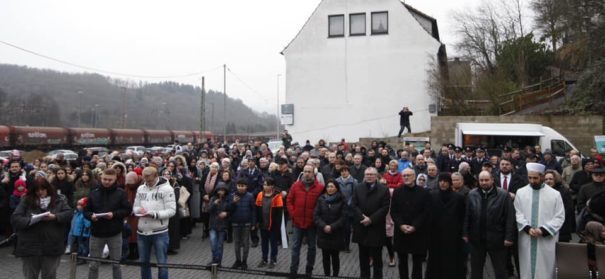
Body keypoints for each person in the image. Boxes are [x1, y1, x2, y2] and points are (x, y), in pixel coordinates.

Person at [11, 178, 72, 279]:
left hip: (52, 246)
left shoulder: (59, 200)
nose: (40, 192)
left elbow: (69, 214)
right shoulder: (26, 200)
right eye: (37, 190)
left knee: (49, 275)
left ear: (48, 188)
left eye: (43, 189)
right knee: (30, 275)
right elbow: (15, 218)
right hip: (30, 247)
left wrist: (55, 217)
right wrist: (30, 220)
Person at [514, 162, 565, 279]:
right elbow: (518, 213)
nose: (532, 181)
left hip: (546, 238)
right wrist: (527, 228)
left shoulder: (555, 194)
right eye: (530, 178)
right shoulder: (520, 193)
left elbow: (559, 216)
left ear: (542, 176)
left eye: (535, 178)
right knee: (526, 267)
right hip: (526, 237)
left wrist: (543, 230)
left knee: (545, 269)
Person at [464, 171, 515, 279]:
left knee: (500, 270)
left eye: (486, 180)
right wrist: (465, 233)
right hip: (477, 239)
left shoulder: (503, 195)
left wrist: (508, 237)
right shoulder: (472, 194)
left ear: (492, 180)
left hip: (497, 238)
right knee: (476, 270)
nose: (484, 182)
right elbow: (467, 215)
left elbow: (510, 217)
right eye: (481, 180)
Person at [84, 168, 132, 279]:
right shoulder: (94, 192)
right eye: (104, 179)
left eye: (110, 180)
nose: (106, 182)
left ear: (115, 179)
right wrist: (91, 216)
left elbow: (127, 210)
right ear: (101, 178)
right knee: (93, 265)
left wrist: (114, 214)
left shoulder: (121, 193)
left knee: (116, 265)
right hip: (96, 233)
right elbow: (86, 211)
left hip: (114, 233)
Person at [133, 167, 176, 279]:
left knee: (162, 263)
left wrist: (154, 214)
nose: (148, 182)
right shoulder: (141, 188)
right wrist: (139, 211)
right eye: (145, 180)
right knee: (143, 263)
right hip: (142, 231)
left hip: (159, 232)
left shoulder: (167, 189)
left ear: (156, 176)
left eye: (150, 180)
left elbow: (172, 210)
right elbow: (135, 206)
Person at [390, 168, 431, 279]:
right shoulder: (397, 191)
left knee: (417, 263)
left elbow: (425, 212)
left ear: (414, 177)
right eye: (404, 176)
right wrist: (401, 225)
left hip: (418, 232)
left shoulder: (424, 192)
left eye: (409, 175)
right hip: (401, 231)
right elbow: (394, 211)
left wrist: (415, 226)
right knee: (402, 262)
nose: (406, 177)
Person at [351, 167, 390, 279]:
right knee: (363, 259)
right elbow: (354, 205)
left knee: (377, 260)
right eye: (367, 174)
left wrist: (371, 219)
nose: (369, 176)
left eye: (371, 174)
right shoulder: (358, 188)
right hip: (361, 226)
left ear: (376, 176)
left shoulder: (383, 189)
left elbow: (385, 208)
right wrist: (362, 217)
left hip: (376, 228)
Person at [425, 173, 466, 279]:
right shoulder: (432, 195)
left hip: (452, 235)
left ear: (450, 183)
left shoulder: (459, 198)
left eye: (445, 181)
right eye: (441, 181)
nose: (443, 183)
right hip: (436, 235)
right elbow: (428, 214)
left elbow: (462, 217)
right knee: (435, 259)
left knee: (452, 260)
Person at [287, 165, 324, 278]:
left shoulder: (321, 187)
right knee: (295, 247)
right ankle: (293, 271)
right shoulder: (295, 185)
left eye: (309, 172)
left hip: (312, 223)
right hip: (297, 223)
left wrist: (317, 218)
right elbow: (289, 200)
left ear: (314, 173)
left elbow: (322, 205)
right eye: (305, 171)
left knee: (312, 248)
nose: (307, 174)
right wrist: (293, 214)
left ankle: (309, 270)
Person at [314, 179, 347, 277]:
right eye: (328, 186)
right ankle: (327, 275)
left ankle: (335, 275)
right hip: (323, 233)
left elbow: (344, 217)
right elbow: (316, 216)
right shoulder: (321, 199)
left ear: (336, 188)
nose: (330, 189)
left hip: (336, 233)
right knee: (325, 257)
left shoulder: (342, 200)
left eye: (332, 186)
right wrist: (324, 226)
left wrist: (332, 227)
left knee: (335, 257)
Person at [228, 178, 256, 270]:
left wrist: (253, 223)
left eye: (243, 186)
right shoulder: (232, 196)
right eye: (239, 186)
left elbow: (253, 210)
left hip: (247, 223)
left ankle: (244, 261)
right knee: (236, 243)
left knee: (245, 243)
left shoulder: (250, 196)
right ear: (236, 186)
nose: (241, 188)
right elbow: (229, 210)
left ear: (246, 187)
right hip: (235, 223)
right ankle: (237, 260)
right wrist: (233, 203)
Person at [255, 177, 283, 269]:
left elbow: (279, 213)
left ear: (272, 186)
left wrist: (277, 226)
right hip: (263, 224)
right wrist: (257, 222)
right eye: (264, 184)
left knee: (273, 243)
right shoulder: (260, 195)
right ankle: (264, 259)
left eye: (267, 184)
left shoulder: (277, 197)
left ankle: (273, 260)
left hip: (273, 225)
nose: (265, 186)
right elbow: (257, 209)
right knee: (264, 243)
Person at [544, 170, 575, 242]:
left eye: (550, 179)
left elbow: (568, 210)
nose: (548, 181)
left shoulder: (564, 192)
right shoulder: (543, 191)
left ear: (556, 179)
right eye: (546, 179)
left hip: (562, 228)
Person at [208, 183, 230, 266]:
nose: (221, 192)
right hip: (213, 224)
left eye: (223, 190)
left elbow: (230, 211)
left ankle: (218, 261)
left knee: (220, 245)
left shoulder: (227, 200)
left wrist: (226, 214)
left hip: (222, 225)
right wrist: (214, 204)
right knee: (213, 243)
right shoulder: (213, 198)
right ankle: (214, 259)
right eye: (219, 190)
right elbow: (209, 210)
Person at [71, 197, 92, 265]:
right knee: (78, 246)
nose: (78, 206)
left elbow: (88, 224)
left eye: (80, 205)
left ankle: (83, 258)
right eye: (78, 205)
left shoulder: (84, 214)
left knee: (83, 246)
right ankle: (77, 257)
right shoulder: (77, 213)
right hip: (77, 233)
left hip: (83, 234)